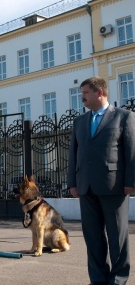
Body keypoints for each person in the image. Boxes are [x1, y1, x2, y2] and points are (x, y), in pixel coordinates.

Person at [67, 76, 135, 285]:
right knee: (93, 237)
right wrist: (72, 182)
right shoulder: (80, 121)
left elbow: (131, 152)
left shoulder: (123, 117)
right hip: (86, 187)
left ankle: (118, 278)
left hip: (113, 186)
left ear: (99, 92)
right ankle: (98, 279)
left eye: (85, 93)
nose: (82, 98)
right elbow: (73, 154)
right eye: (82, 94)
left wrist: (130, 182)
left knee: (117, 237)